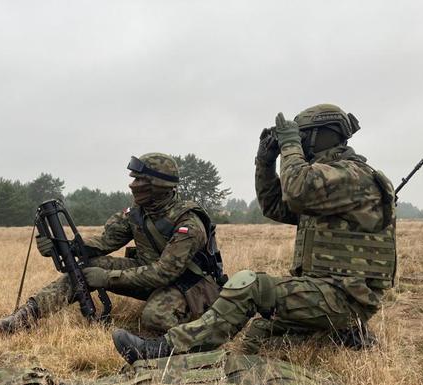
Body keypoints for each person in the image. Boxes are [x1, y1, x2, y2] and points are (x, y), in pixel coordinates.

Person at [113, 104, 397, 364]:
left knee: (250, 286)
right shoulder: (330, 184)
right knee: (259, 335)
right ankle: (344, 335)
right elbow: (275, 206)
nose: (297, 144)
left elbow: (297, 191)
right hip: (328, 295)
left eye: (301, 137)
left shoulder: (352, 176)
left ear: (319, 137)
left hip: (345, 297)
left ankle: (166, 348)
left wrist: (288, 143)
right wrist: (265, 161)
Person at [0, 153, 224, 335]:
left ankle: (203, 329)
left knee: (154, 318)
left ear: (158, 184)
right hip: (148, 274)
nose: (133, 185)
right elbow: (105, 241)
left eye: (140, 179)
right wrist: (66, 246)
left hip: (190, 284)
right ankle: (27, 315)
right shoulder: (137, 213)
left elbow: (164, 273)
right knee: (86, 267)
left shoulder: (189, 222)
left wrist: (107, 278)